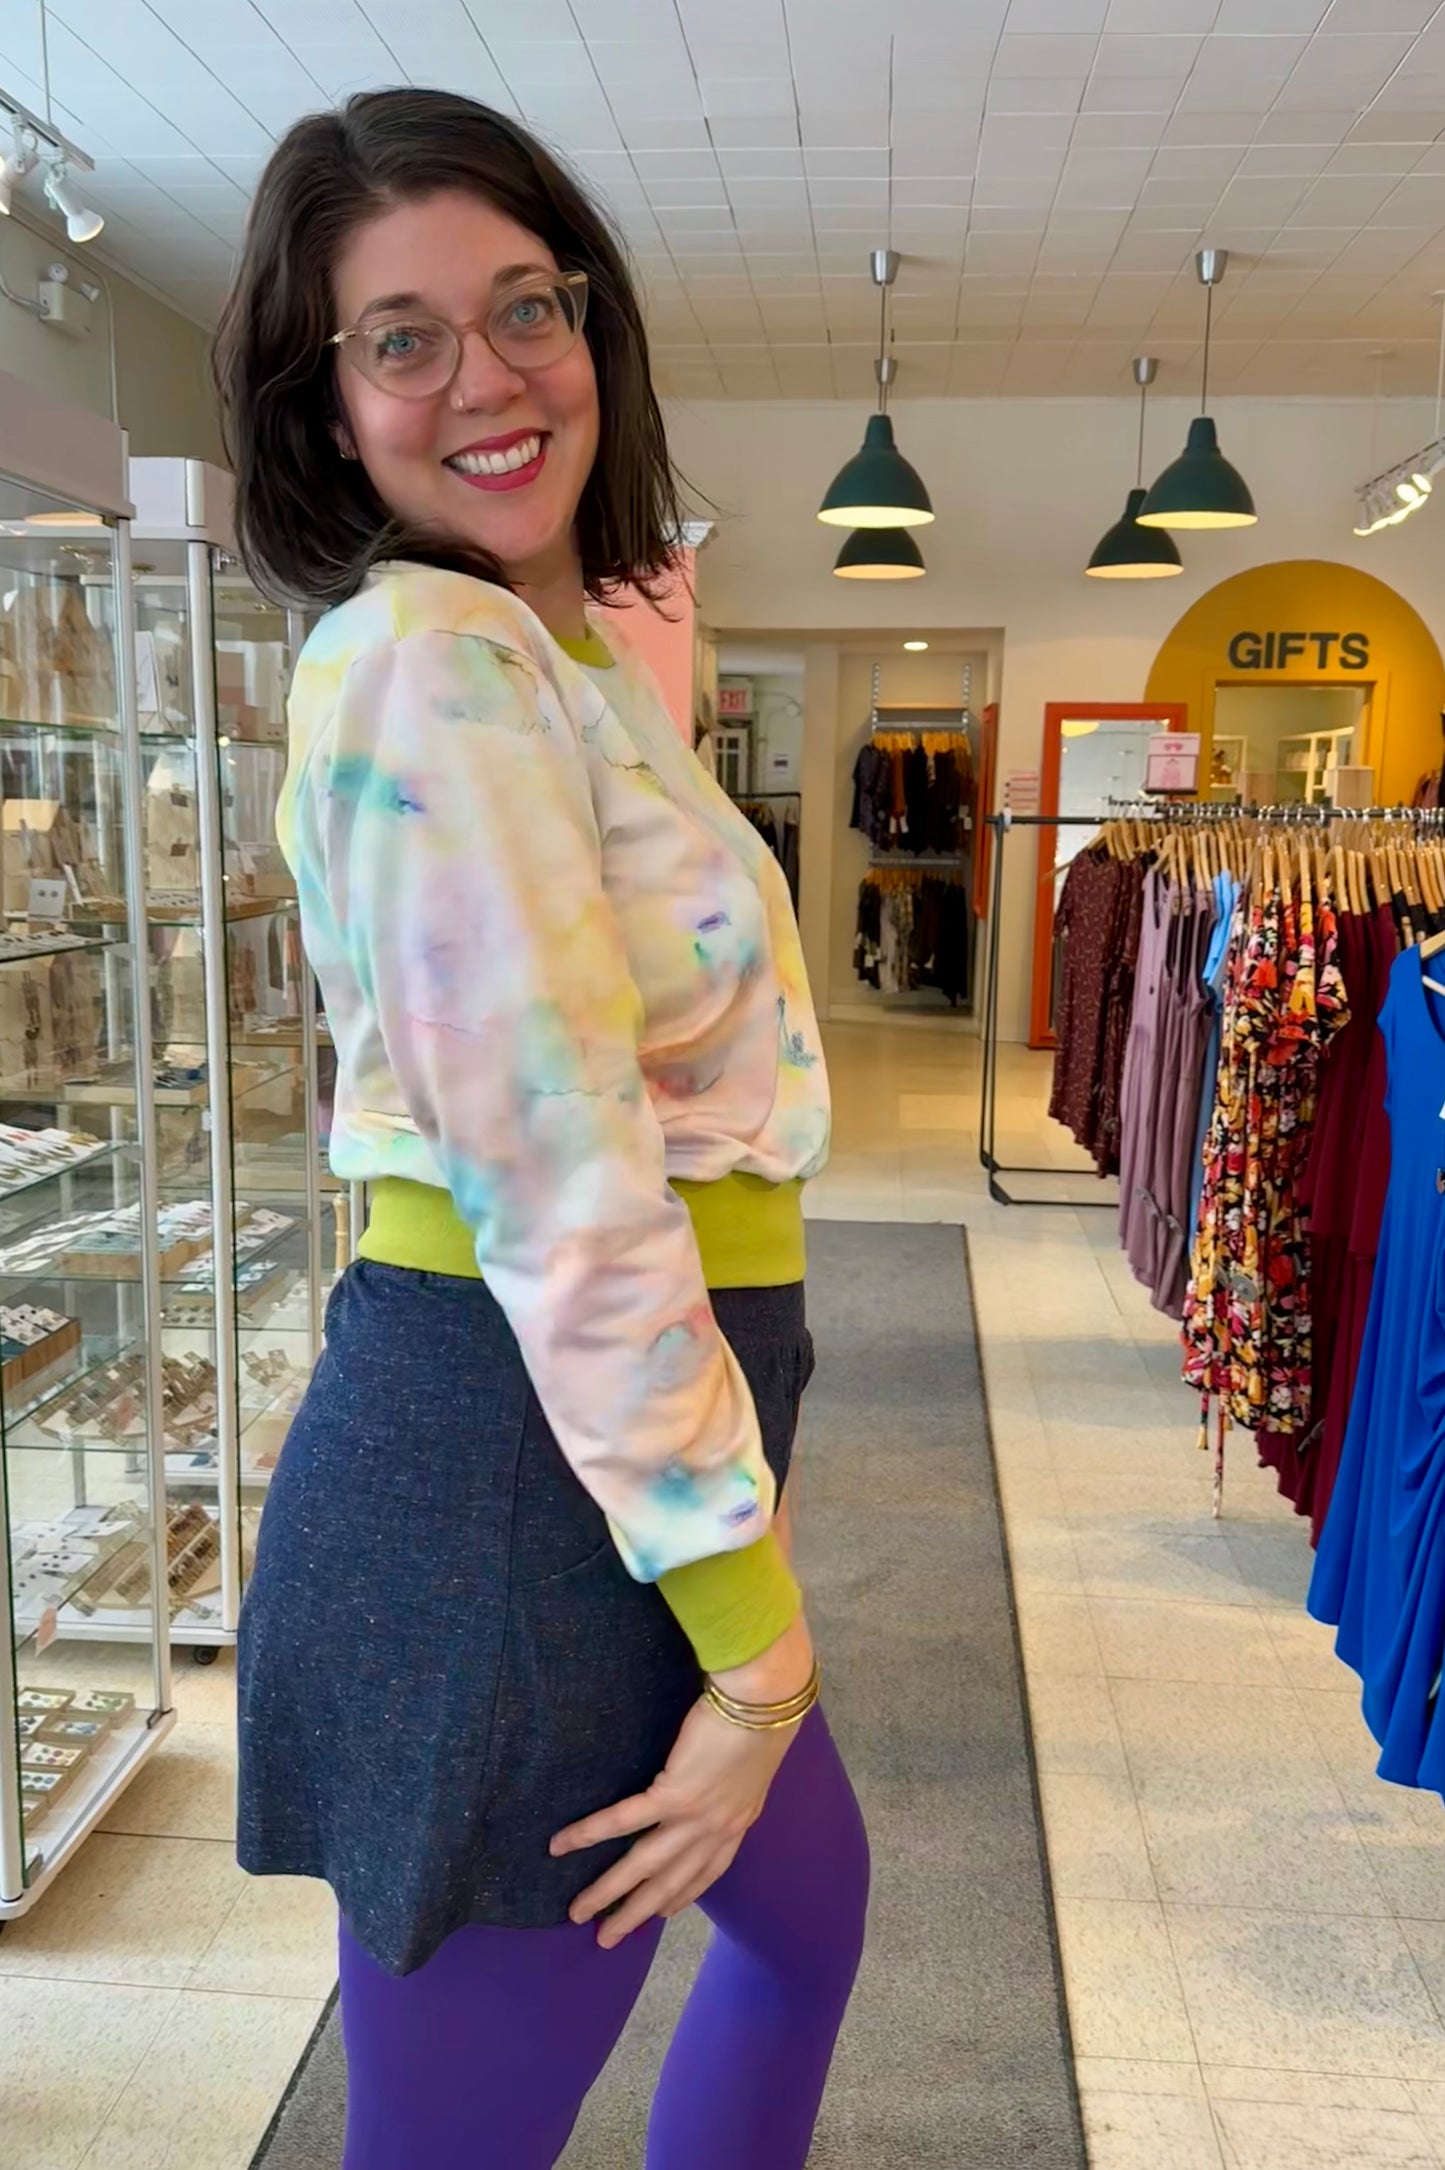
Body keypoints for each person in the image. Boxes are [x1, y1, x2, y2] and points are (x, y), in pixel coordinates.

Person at [214, 88, 869, 2170]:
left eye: (526, 305)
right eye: (402, 336)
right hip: (518, 1471)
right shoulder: (430, 658)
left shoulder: (554, 643)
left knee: (806, 1913)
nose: (488, 375)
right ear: (323, 411)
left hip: (608, 1446)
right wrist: (756, 1659)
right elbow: (567, 1195)